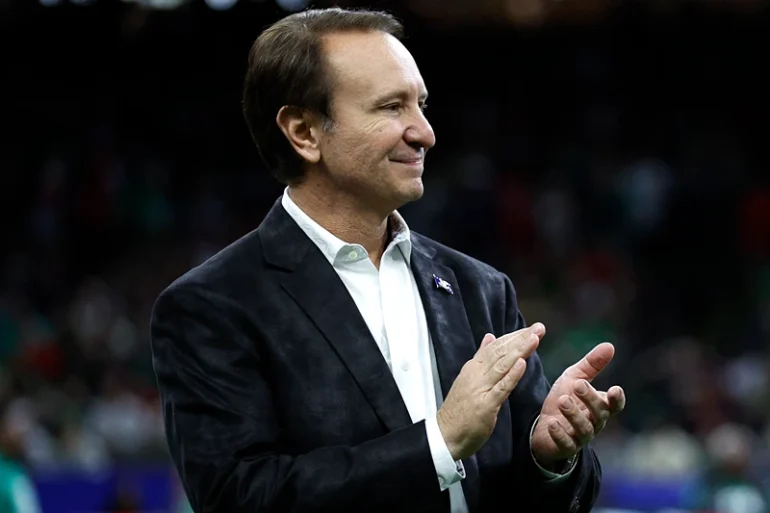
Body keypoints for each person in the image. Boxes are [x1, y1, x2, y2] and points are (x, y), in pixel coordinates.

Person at [150, 7, 626, 513]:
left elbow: (538, 499)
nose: (424, 133)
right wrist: (437, 442)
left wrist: (547, 457)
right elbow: (238, 499)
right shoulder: (212, 306)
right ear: (304, 132)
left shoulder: (480, 289)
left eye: (421, 105)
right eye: (391, 107)